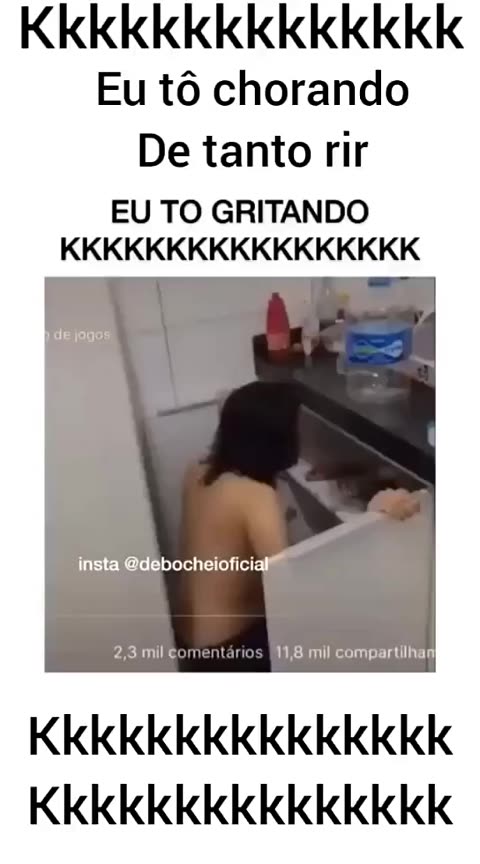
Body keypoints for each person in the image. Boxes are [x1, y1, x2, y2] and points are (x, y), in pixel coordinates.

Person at [173, 381, 420, 673]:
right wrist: (373, 518)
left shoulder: (197, 470)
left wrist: (347, 470)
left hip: (188, 645)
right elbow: (293, 592)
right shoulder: (256, 497)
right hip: (231, 654)